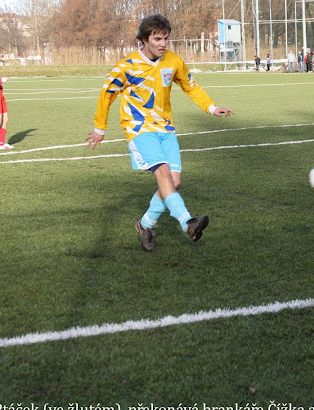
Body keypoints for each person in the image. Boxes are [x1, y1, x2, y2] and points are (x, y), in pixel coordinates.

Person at [86, 14, 234, 251]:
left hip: (165, 128)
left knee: (174, 182)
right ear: (144, 40)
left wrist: (212, 107)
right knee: (163, 173)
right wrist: (99, 128)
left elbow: (190, 86)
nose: (163, 43)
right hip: (139, 129)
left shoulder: (173, 61)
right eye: (157, 39)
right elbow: (107, 95)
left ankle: (145, 225)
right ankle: (188, 222)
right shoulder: (127, 67)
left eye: (166, 38)